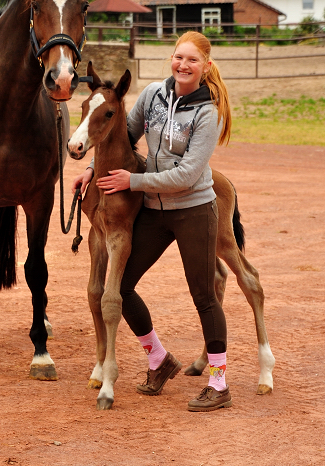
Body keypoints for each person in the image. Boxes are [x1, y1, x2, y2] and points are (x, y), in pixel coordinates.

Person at [72, 31, 232, 412]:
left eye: (192, 60)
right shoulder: (153, 96)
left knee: (204, 296)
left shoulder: (207, 113)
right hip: (156, 211)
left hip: (193, 209)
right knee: (120, 288)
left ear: (205, 66)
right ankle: (159, 359)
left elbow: (189, 174)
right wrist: (94, 168)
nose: (182, 65)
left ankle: (219, 383)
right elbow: (120, 138)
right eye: (178, 57)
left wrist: (134, 181)